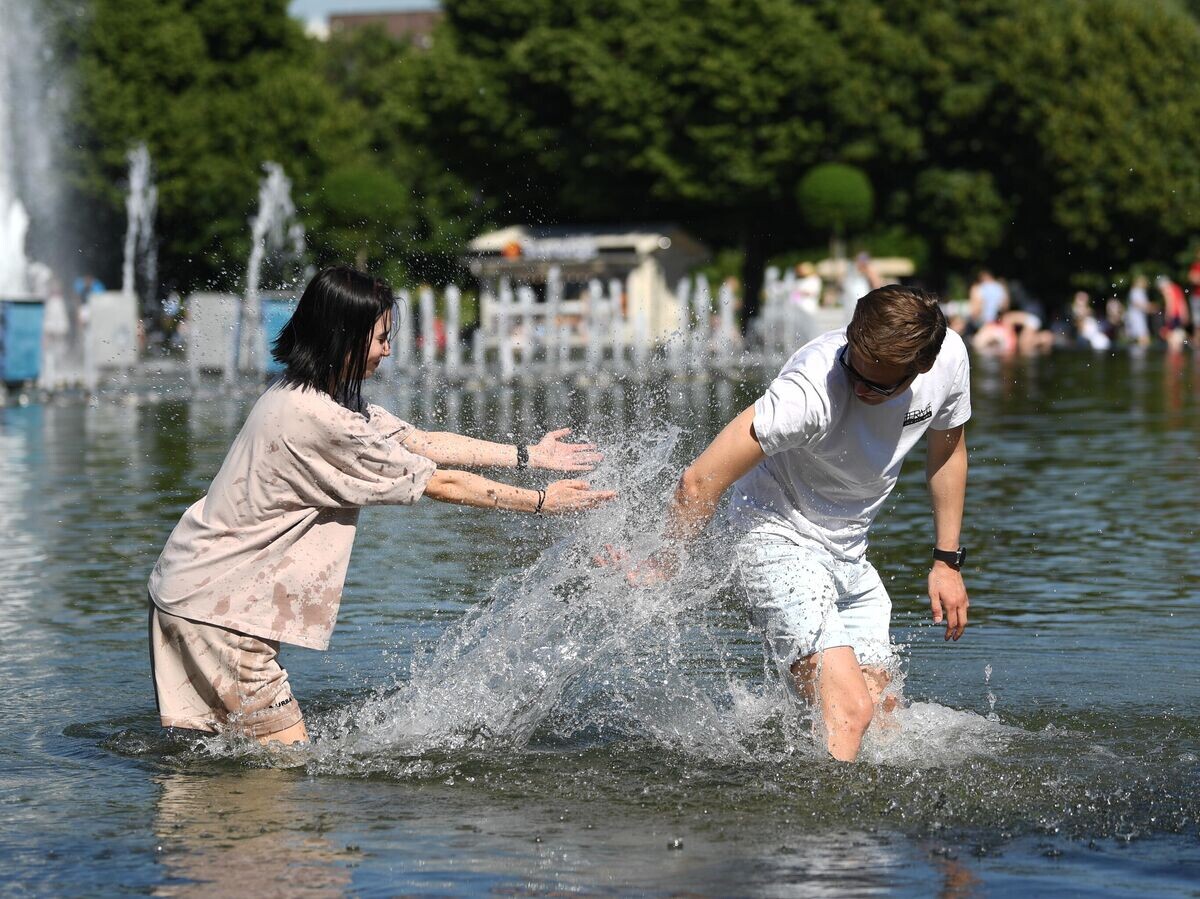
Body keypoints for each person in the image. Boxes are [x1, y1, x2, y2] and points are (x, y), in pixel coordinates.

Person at [147, 266, 615, 747]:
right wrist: (541, 501)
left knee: (213, 761)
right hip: (220, 613)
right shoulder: (319, 419)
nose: (388, 351)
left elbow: (420, 441)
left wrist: (526, 456)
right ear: (342, 336)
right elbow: (439, 482)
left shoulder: (314, 391)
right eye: (380, 338)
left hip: (193, 590)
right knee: (286, 768)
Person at [629, 285, 971, 762]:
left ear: (921, 368)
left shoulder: (949, 357)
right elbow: (699, 480)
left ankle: (802, 780)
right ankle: (831, 832)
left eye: (878, 386)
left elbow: (948, 450)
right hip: (773, 534)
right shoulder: (808, 393)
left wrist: (946, 560)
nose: (858, 388)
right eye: (854, 368)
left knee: (883, 714)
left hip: (850, 551)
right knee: (851, 712)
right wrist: (665, 558)